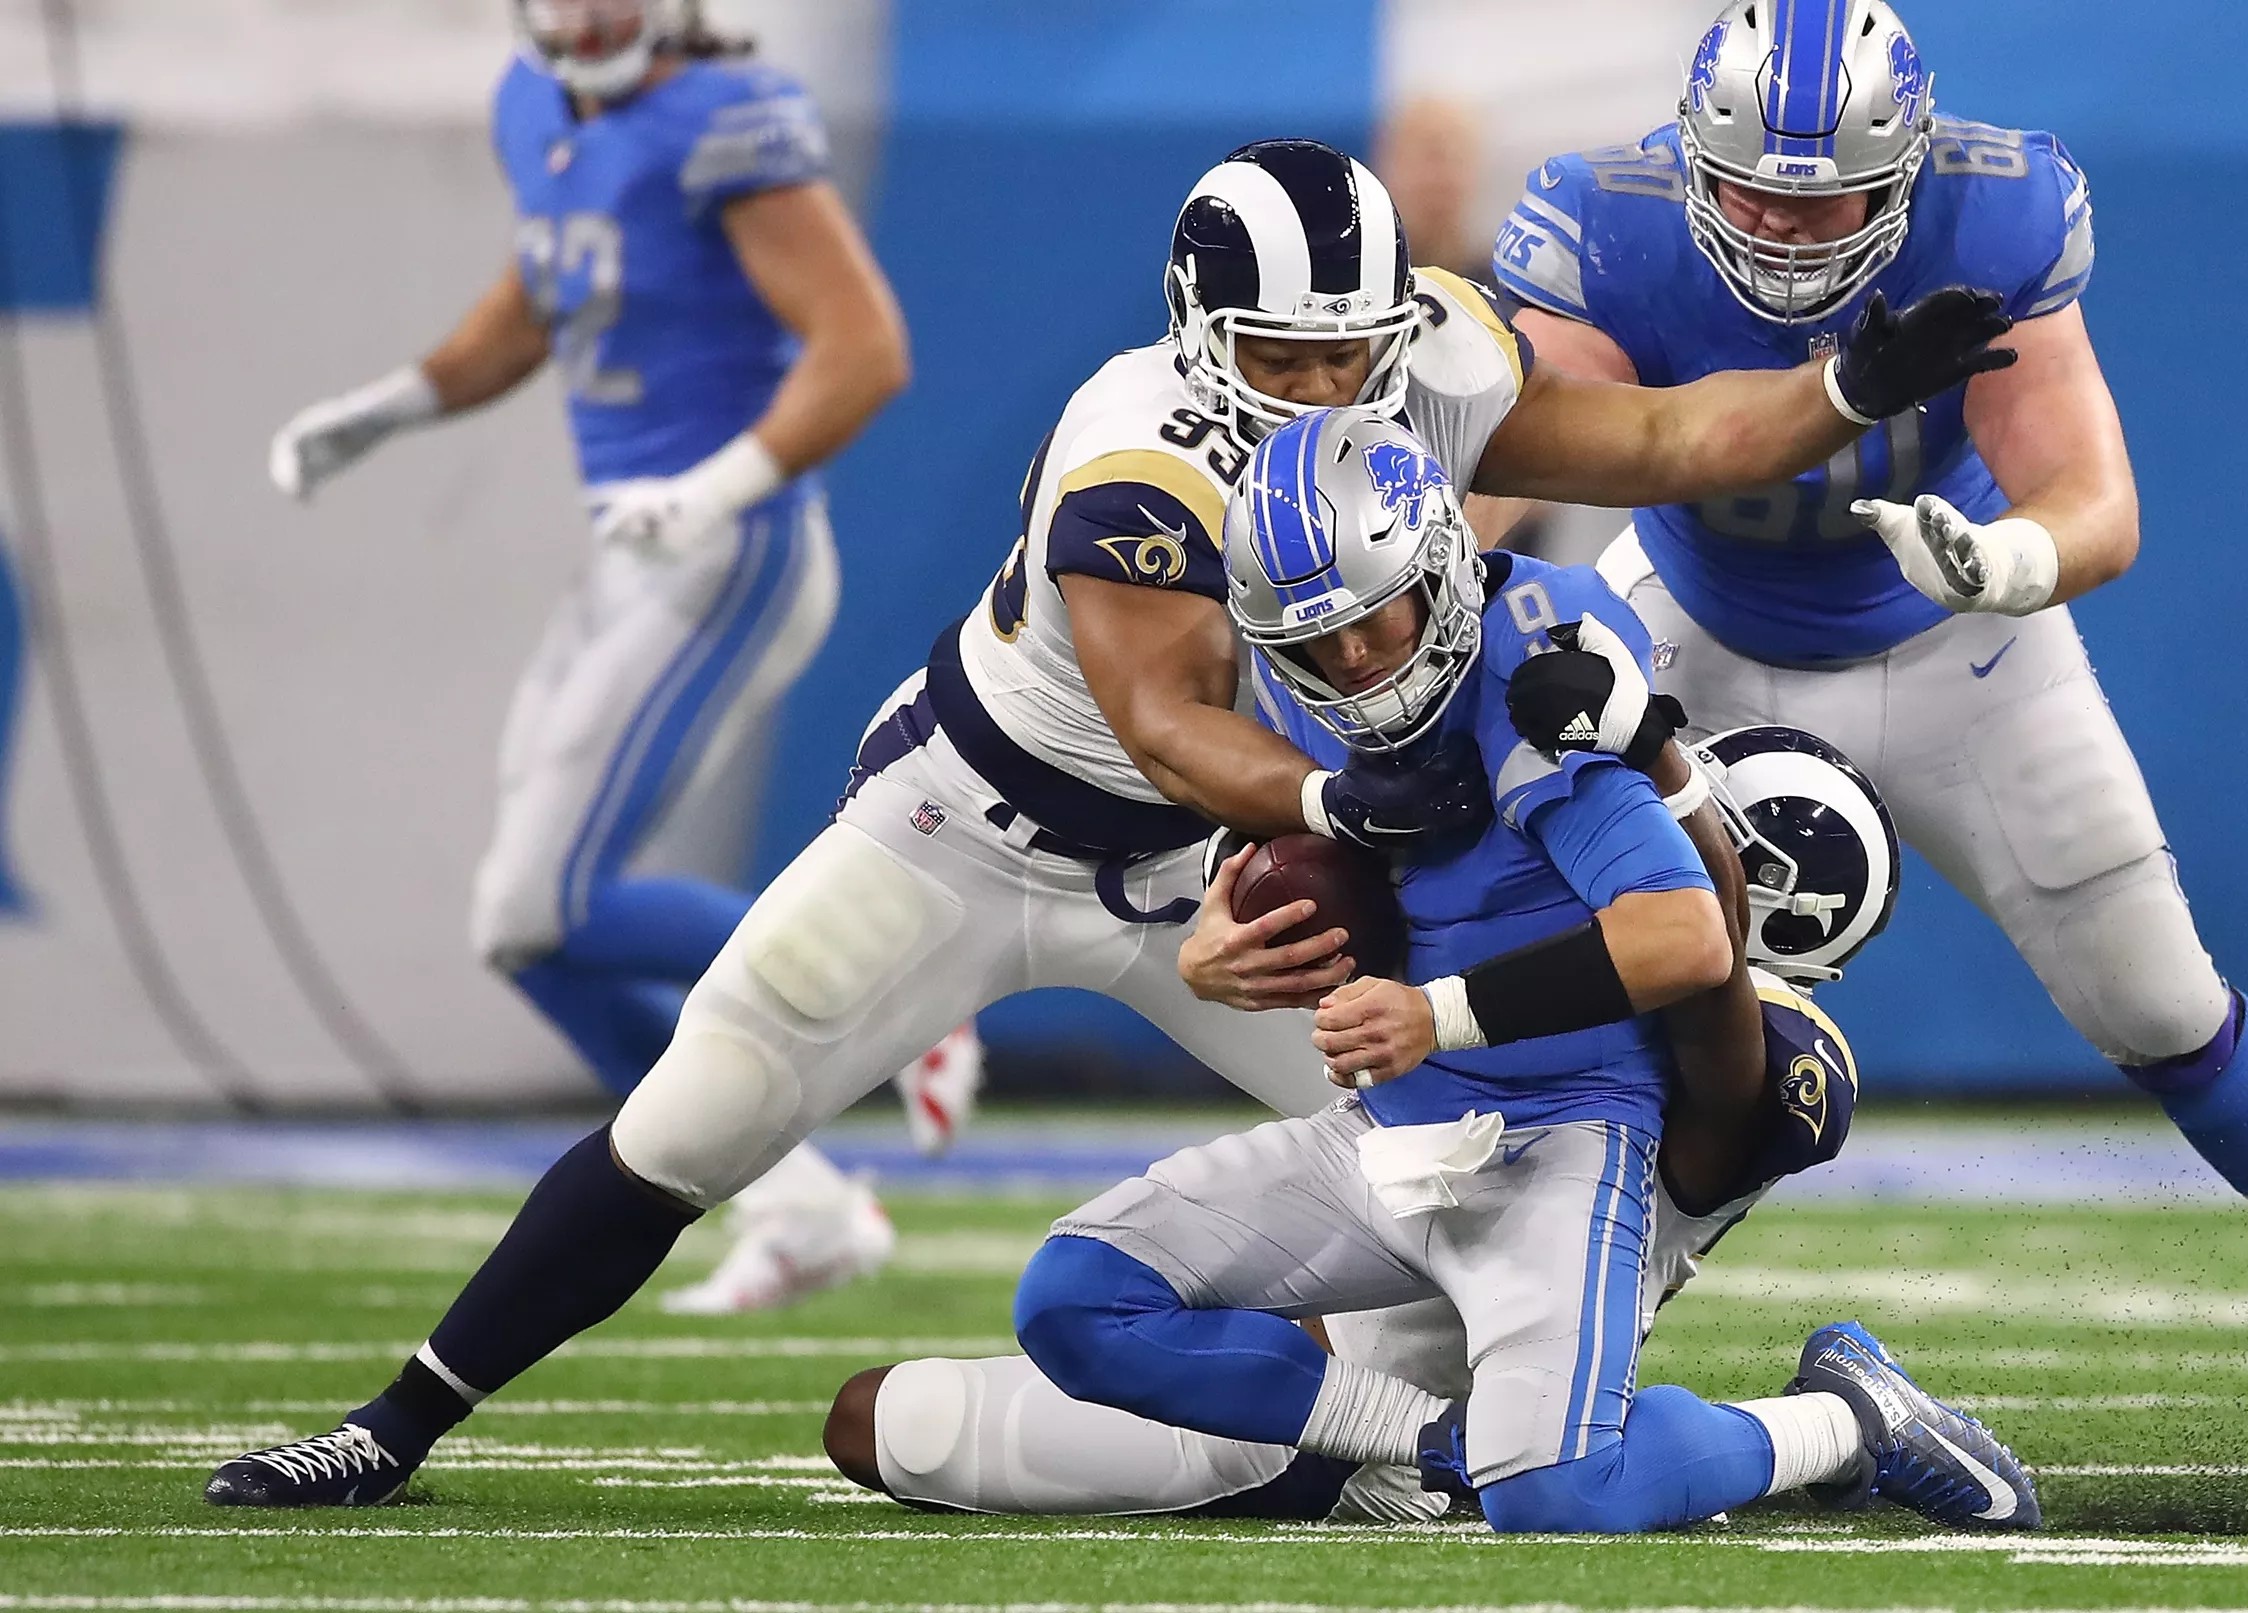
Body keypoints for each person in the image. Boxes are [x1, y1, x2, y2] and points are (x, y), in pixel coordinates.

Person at [204, 134, 2011, 1508]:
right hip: (986, 827)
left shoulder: (1432, 366)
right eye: (1287, 358)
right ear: (1202, 335)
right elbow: (1169, 723)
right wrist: (1339, 801)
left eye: (1353, 353)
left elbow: (1668, 440)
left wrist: (1846, 391)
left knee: (1516, 1140)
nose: (1329, 389)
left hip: (1237, 883)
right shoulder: (1136, 450)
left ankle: (1472, 1402)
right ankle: (394, 1421)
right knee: (700, 1109)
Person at [1488, 0, 2248, 1469]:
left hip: (1952, 631)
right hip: (1685, 631)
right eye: (1748, 194)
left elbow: (2094, 500)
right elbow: (1520, 473)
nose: (1790, 235)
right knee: (1579, 988)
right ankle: (1507, 1348)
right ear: (1691, 161)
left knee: (2159, 1000)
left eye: (1837, 198)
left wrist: (2013, 563)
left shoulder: (1997, 217)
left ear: (1910, 173)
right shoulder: (1608, 225)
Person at [1007, 407, 2036, 1535]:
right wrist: (1215, 933)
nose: (1349, 659)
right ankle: (1428, 1446)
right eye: (1314, 639)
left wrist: (1433, 1014)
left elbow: (1687, 938)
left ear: (1436, 567)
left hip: (1560, 1132)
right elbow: (1299, 853)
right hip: (1386, 1135)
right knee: (1073, 1296)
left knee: (1555, 1492)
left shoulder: (1534, 669)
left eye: (1373, 617)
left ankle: (1843, 1424)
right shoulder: (1307, 679)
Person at [261, 0, 978, 1314]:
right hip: (629, 556)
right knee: (527, 931)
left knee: (548, 900)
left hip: (729, 547)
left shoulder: (725, 115)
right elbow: (542, 295)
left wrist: (716, 489)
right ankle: (802, 1200)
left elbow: (865, 347)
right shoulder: (531, 106)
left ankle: (927, 979)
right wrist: (388, 409)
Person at [822, 720, 1899, 1522]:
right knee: (870, 1418)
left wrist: (1672, 788)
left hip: (1350, 1429)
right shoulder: (1568, 950)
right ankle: (1442, 1444)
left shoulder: (1759, 1058)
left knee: (895, 1426)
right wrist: (1227, 913)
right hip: (1308, 1356)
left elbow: (1706, 1001)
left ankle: (1836, 1422)